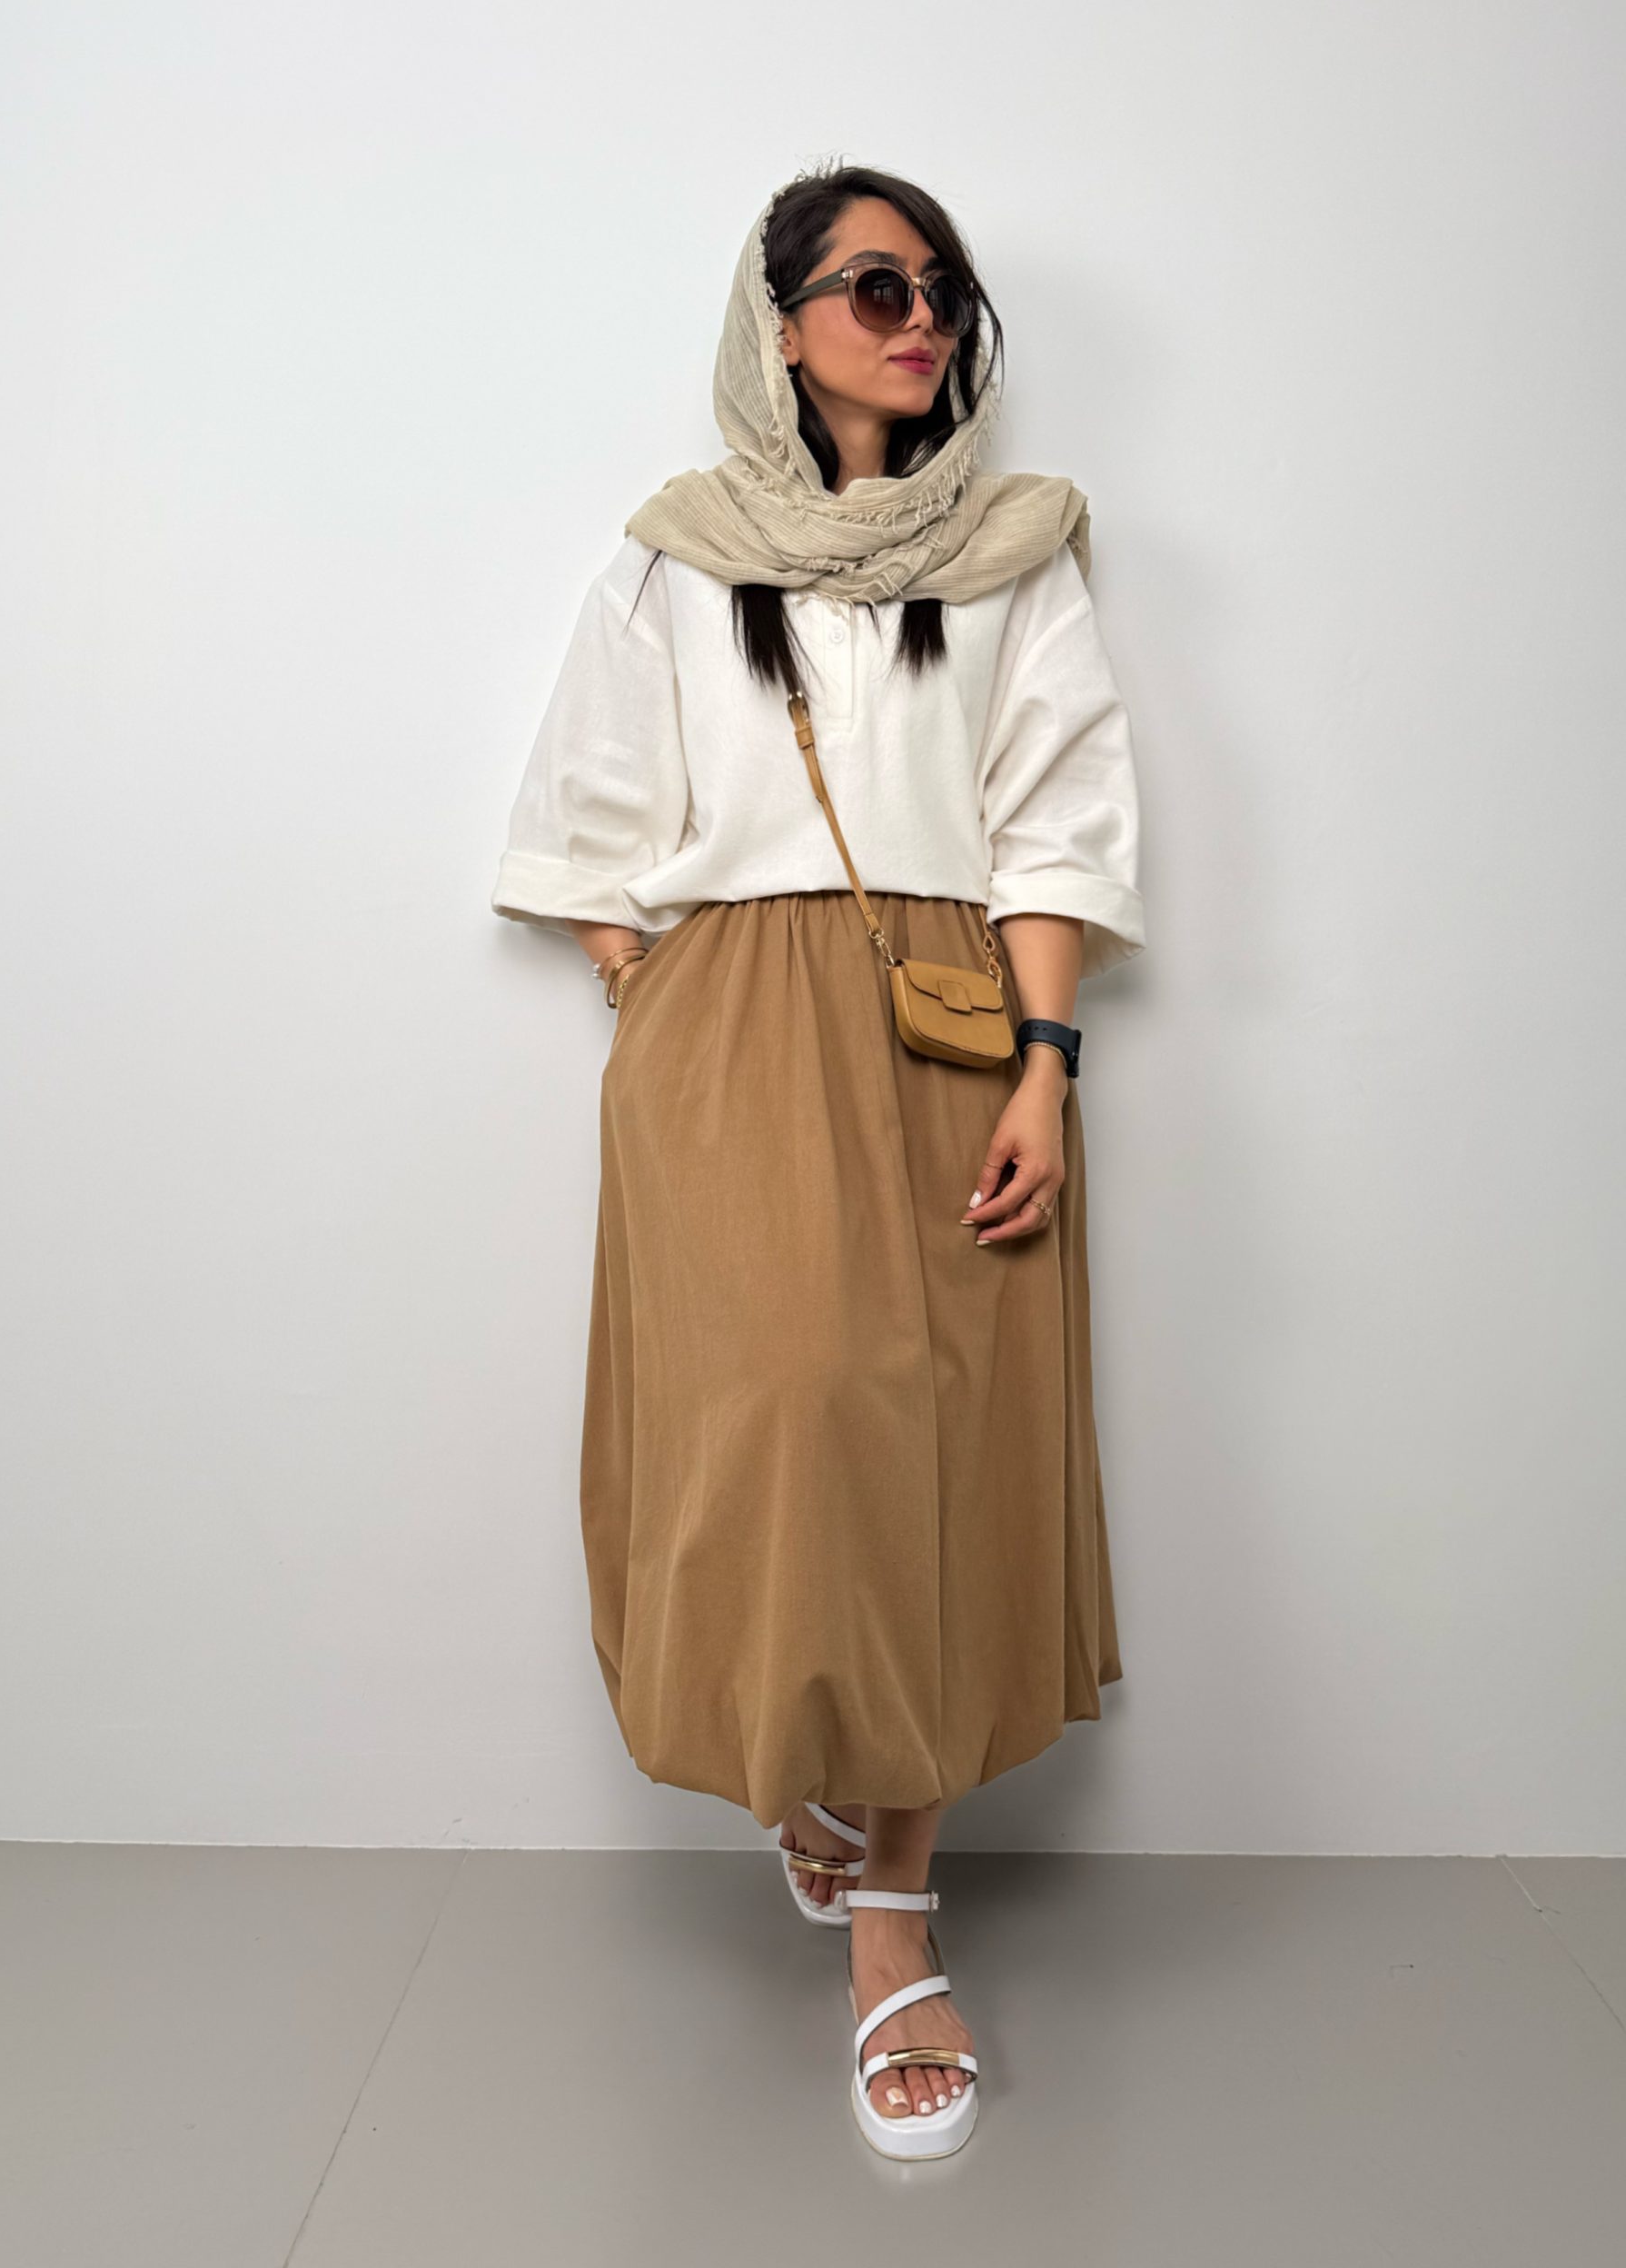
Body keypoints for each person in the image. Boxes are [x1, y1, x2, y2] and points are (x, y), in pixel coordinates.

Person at [490, 163, 1145, 2159]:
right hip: (733, 1036)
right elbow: (587, 816)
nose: (917, 317)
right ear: (779, 323)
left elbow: (1054, 818)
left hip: (956, 1022)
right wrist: (662, 1007)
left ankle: (891, 1914)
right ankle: (811, 1774)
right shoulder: (681, 561)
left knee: (936, 1437)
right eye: (872, 285)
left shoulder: (1017, 553)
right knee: (782, 1412)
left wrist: (1045, 1063)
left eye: (941, 289)